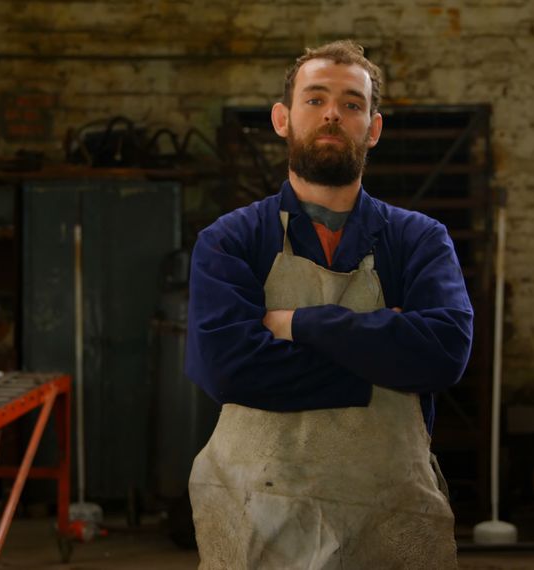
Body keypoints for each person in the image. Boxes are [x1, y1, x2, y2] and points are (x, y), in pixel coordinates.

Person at [185, 40, 473, 569]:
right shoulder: (229, 240)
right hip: (256, 514)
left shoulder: (419, 240)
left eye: (352, 104)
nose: (333, 115)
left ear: (374, 128)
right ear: (282, 119)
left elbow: (444, 353)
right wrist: (378, 363)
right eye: (315, 100)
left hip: (390, 518)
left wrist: (297, 324)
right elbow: (226, 367)